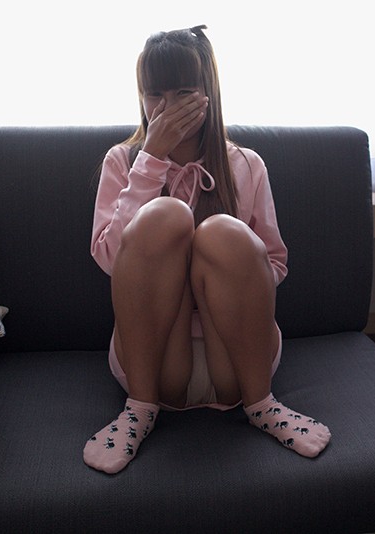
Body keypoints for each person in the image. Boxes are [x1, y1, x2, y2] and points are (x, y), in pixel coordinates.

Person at [84, 25, 330, 474]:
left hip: (237, 356)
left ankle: (262, 405)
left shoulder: (246, 164)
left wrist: (214, 275)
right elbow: (109, 260)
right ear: (140, 97)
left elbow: (275, 262)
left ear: (208, 93)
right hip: (153, 360)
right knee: (164, 216)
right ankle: (138, 410)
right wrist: (150, 162)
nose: (168, 108)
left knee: (222, 232)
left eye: (183, 93)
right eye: (155, 94)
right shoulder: (122, 161)